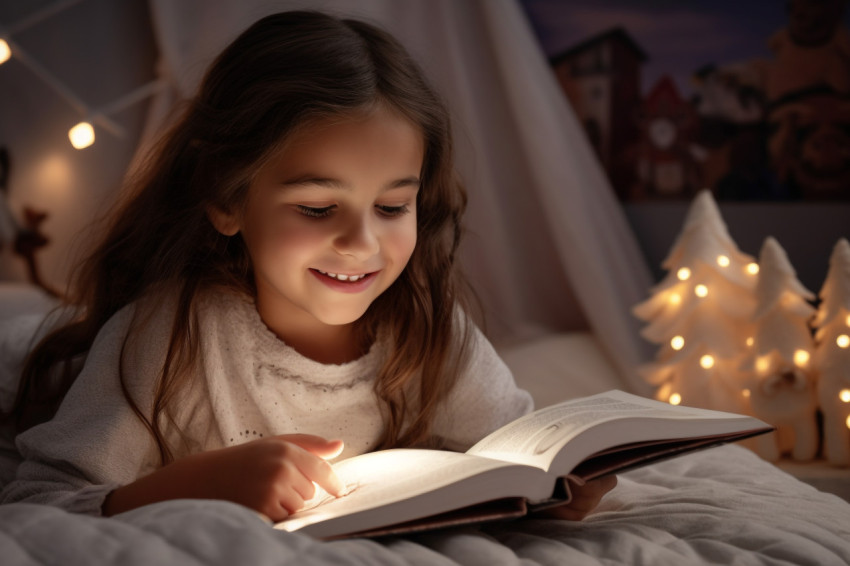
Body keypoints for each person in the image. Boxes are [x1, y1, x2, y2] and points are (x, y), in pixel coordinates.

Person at [1, 10, 615, 523]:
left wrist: (560, 489)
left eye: (392, 206)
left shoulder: (428, 327)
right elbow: (40, 502)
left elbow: (518, 448)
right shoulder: (168, 336)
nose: (361, 242)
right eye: (318, 208)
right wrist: (194, 483)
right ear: (226, 199)